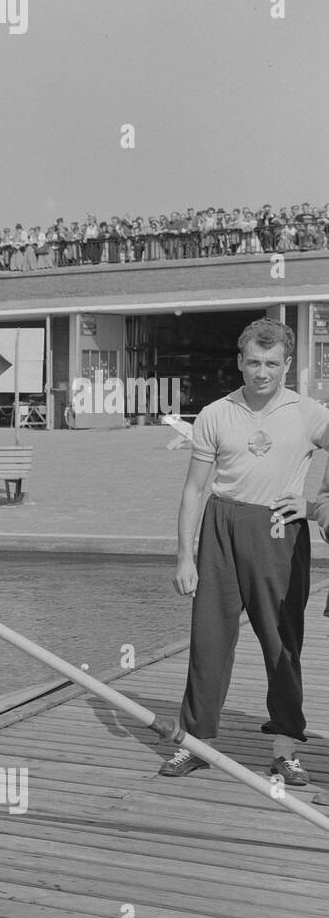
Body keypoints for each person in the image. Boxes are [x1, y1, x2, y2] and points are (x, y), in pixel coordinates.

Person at [163, 319, 328, 786]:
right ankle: (196, 744)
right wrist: (184, 556)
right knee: (209, 639)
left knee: (282, 642)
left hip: (277, 528)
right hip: (220, 524)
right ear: (239, 361)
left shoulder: (310, 413)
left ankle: (285, 748)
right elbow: (194, 491)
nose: (261, 372)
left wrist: (315, 505)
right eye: (253, 362)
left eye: (272, 364)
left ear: (287, 365)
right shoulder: (215, 413)